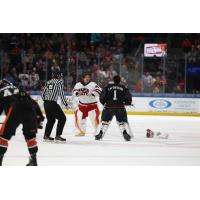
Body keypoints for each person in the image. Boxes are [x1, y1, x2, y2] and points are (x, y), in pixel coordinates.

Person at [0, 79, 41, 166]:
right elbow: (33, 103)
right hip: (30, 109)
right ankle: (34, 161)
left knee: (3, 138)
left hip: (15, 109)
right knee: (30, 138)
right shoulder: (18, 89)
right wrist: (40, 118)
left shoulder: (1, 91)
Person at [95, 75, 133, 141]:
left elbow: (102, 96)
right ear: (119, 80)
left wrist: (104, 103)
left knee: (105, 122)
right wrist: (127, 103)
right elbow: (128, 97)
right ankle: (125, 133)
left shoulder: (107, 87)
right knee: (121, 122)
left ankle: (100, 133)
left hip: (109, 107)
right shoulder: (123, 87)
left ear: (113, 80)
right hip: (120, 107)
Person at [41, 69, 69, 142]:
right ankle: (58, 136)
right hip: (52, 103)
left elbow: (43, 93)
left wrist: (46, 101)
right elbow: (61, 94)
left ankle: (46, 136)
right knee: (62, 118)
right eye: (60, 75)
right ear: (58, 75)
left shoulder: (48, 82)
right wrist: (65, 103)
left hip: (46, 103)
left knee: (51, 120)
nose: (61, 76)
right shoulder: (59, 82)